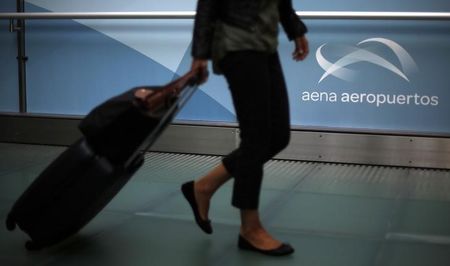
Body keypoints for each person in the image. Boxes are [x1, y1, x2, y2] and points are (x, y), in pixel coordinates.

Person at [181, 0, 309, 256]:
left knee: (277, 136)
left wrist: (295, 28)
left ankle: (204, 186)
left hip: (265, 42)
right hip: (236, 43)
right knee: (257, 137)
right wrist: (200, 54)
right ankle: (250, 229)